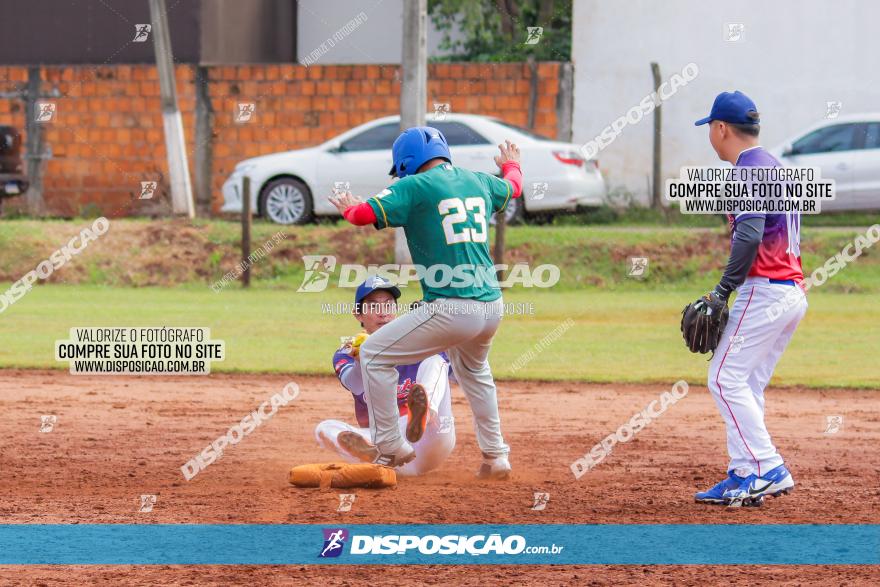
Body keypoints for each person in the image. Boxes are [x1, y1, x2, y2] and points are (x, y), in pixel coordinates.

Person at [328, 127, 522, 479]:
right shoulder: (479, 180)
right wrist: (511, 165)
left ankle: (390, 445)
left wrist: (347, 208)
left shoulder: (414, 186)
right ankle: (497, 457)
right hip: (492, 305)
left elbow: (361, 215)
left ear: (405, 163)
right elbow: (513, 186)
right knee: (476, 373)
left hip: (451, 306)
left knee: (373, 354)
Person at [691, 91, 806, 506]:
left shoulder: (748, 171)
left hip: (764, 291)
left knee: (722, 378)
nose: (711, 135)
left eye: (710, 128)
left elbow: (751, 233)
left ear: (721, 129)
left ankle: (767, 467)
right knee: (747, 383)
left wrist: (723, 290)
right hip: (789, 291)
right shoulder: (775, 166)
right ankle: (744, 472)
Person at [314, 277, 455, 476]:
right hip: (386, 444)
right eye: (372, 306)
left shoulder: (419, 344)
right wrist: (361, 359)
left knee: (434, 358)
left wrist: (432, 332)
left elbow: (455, 373)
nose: (383, 312)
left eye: (388, 305)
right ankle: (373, 453)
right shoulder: (347, 352)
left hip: (430, 436)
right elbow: (355, 385)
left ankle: (424, 413)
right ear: (358, 315)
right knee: (323, 429)